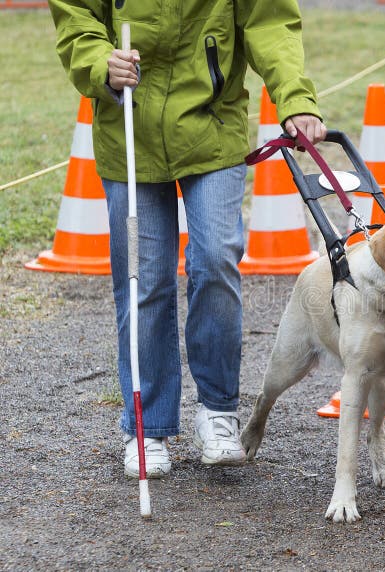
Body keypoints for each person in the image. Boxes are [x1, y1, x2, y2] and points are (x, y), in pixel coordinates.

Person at [48, 0, 326, 478]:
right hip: (128, 131)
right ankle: (147, 427)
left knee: (216, 258)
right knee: (146, 279)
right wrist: (100, 63)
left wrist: (295, 99)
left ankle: (217, 412)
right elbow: (76, 17)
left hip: (212, 129)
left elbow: (270, 21)